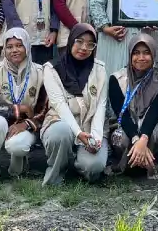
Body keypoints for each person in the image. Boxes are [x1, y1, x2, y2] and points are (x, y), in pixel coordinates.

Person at [41, 23, 109, 185]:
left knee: (94, 167)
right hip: (60, 122)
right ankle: (56, 172)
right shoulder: (52, 69)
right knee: (61, 132)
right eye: (79, 41)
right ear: (71, 41)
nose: (84, 47)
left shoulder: (99, 69)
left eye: (90, 44)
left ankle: (74, 163)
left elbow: (101, 106)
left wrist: (96, 138)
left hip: (89, 126)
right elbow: (60, 106)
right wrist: (78, 133)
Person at [0, 27, 48, 180]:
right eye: (9, 47)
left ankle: (18, 168)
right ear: (4, 49)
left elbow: (44, 110)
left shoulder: (40, 72)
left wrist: (26, 124)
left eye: (19, 45)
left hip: (26, 124)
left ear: (27, 47)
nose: (14, 50)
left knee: (16, 146)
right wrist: (19, 109)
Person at [108, 33, 158, 179]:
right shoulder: (117, 79)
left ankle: (139, 160)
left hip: (151, 126)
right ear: (130, 55)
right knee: (122, 138)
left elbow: (154, 113)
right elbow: (121, 115)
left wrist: (143, 138)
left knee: (157, 134)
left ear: (153, 54)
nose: (141, 58)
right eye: (136, 53)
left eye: (146, 52)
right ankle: (137, 161)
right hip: (125, 125)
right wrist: (136, 139)